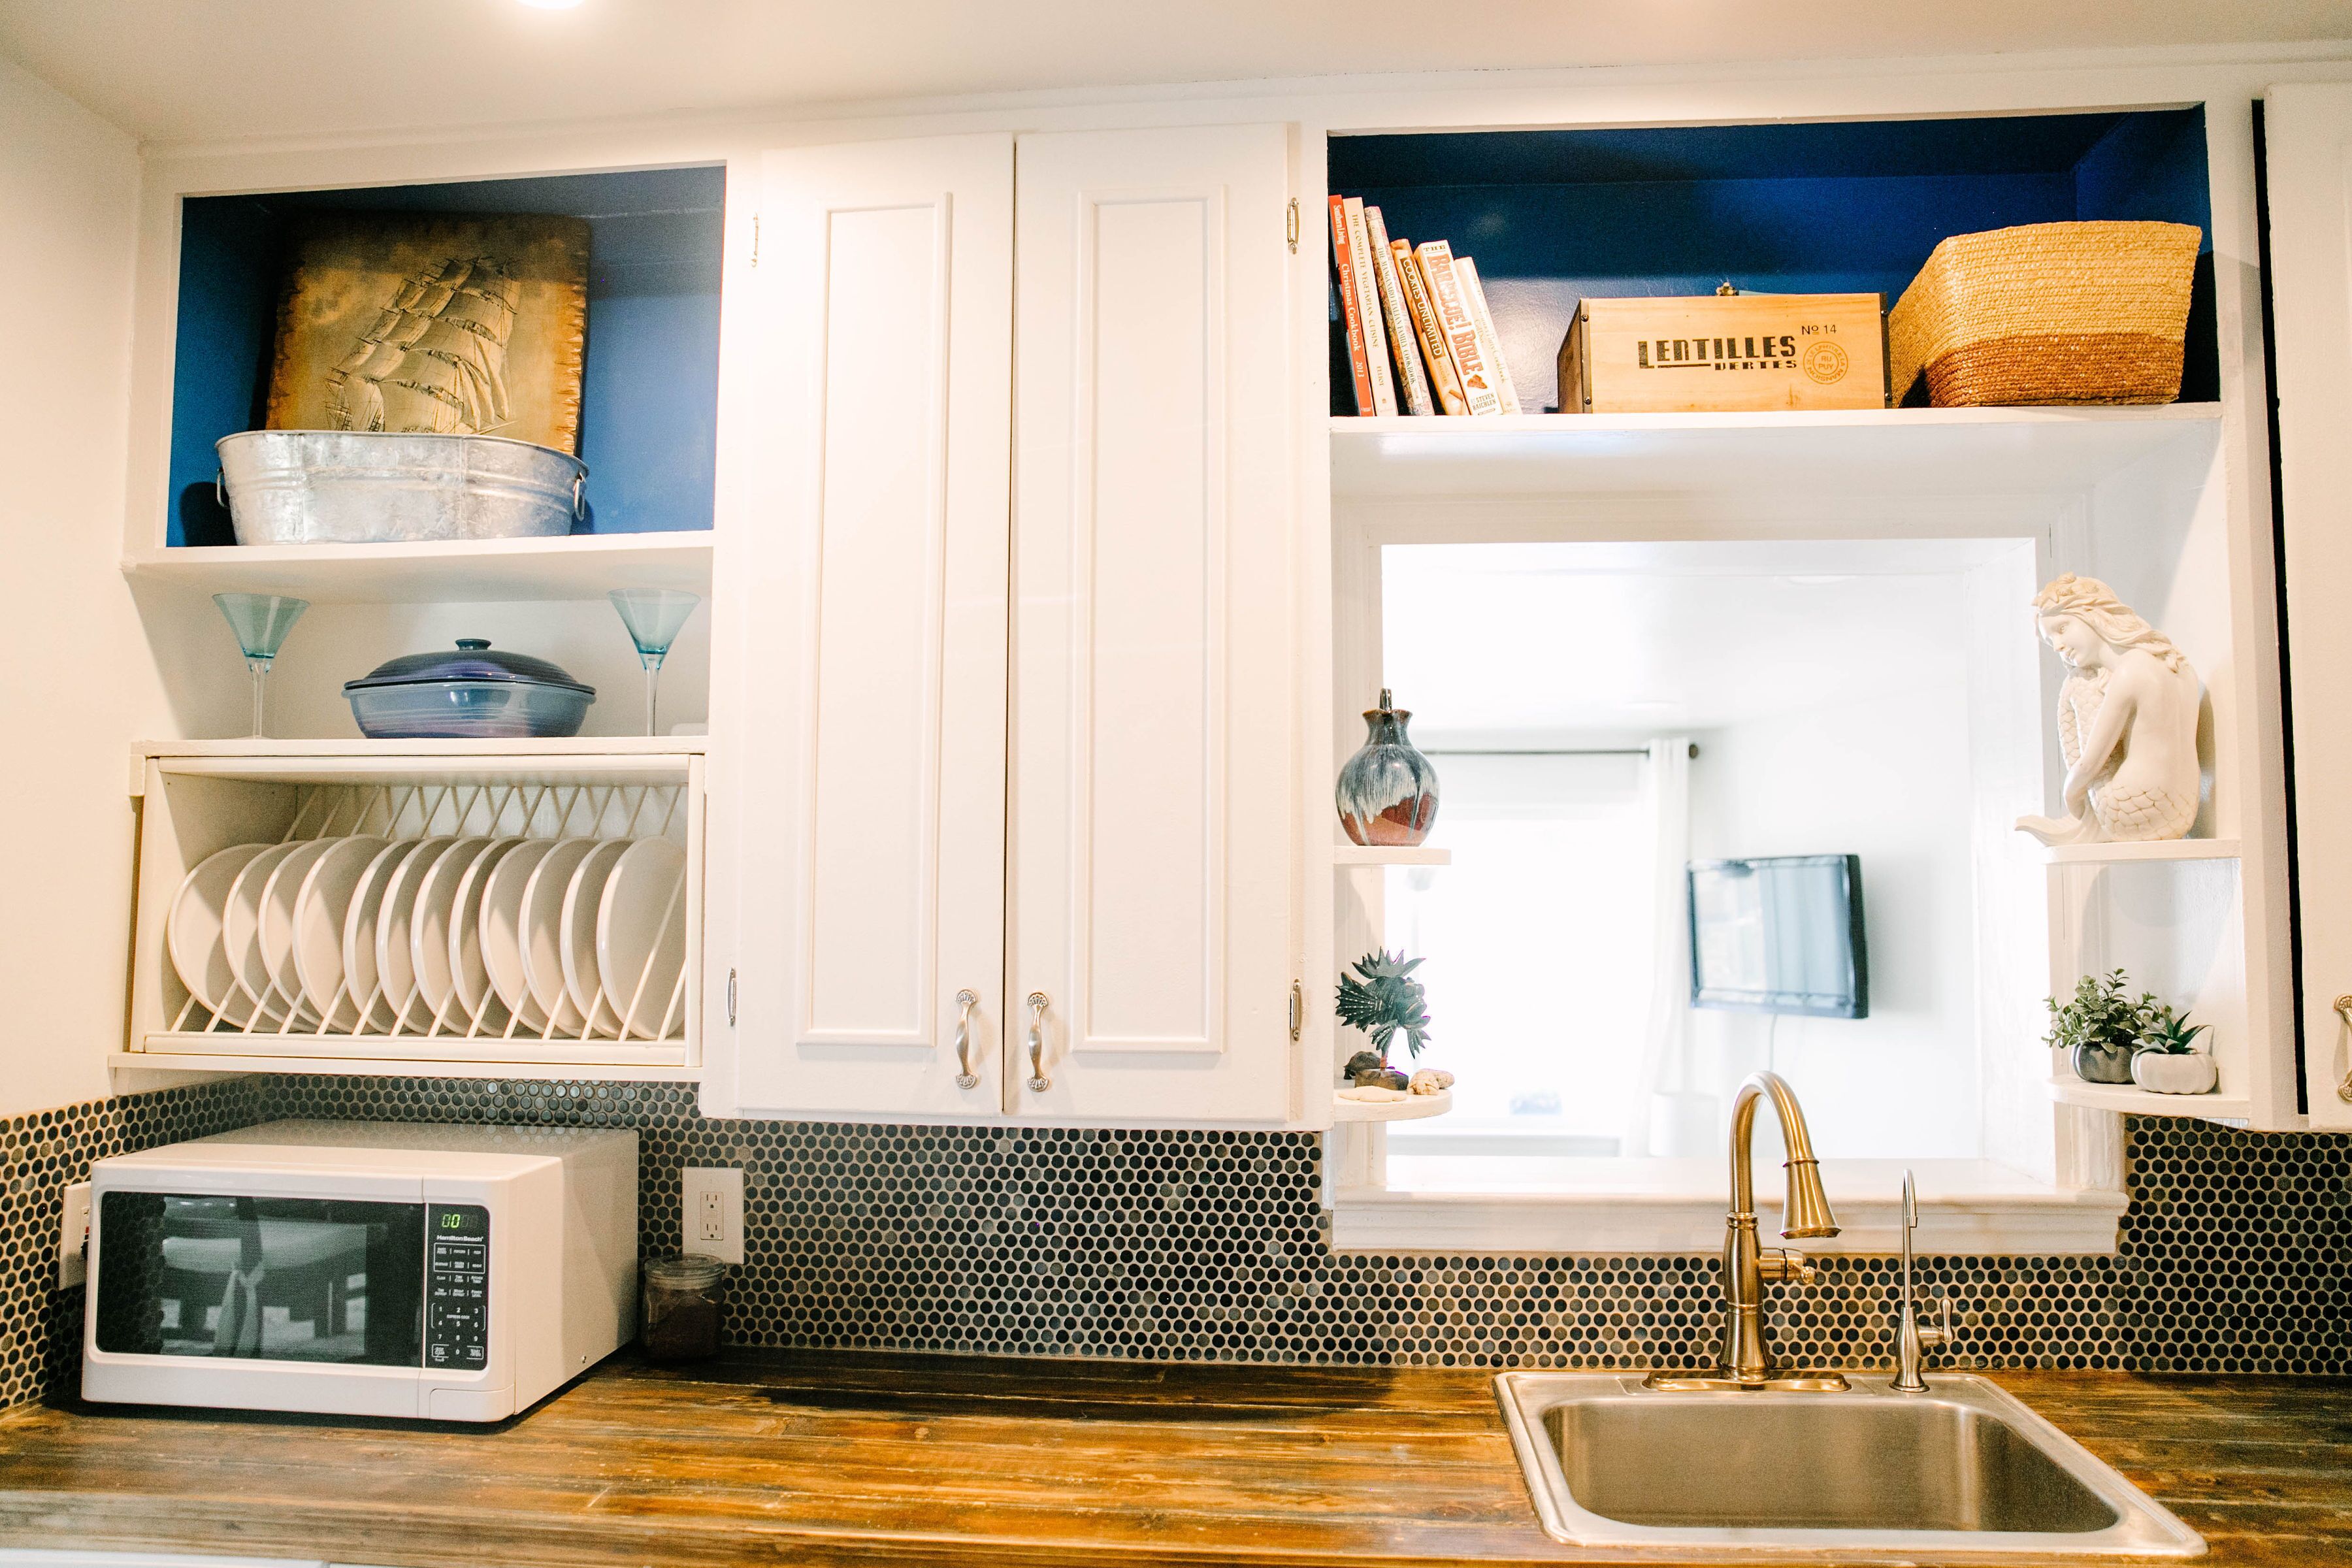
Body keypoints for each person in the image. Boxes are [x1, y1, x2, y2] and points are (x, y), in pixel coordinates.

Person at [2016, 574, 2202, 845]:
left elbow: (2091, 762)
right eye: (2050, 640)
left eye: (2063, 628)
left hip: (2130, 812)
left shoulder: (2129, 671)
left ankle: (2085, 822)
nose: (2058, 646)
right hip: (2183, 811)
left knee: (2077, 683)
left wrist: (2071, 795)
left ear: (2093, 615)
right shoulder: (2176, 663)